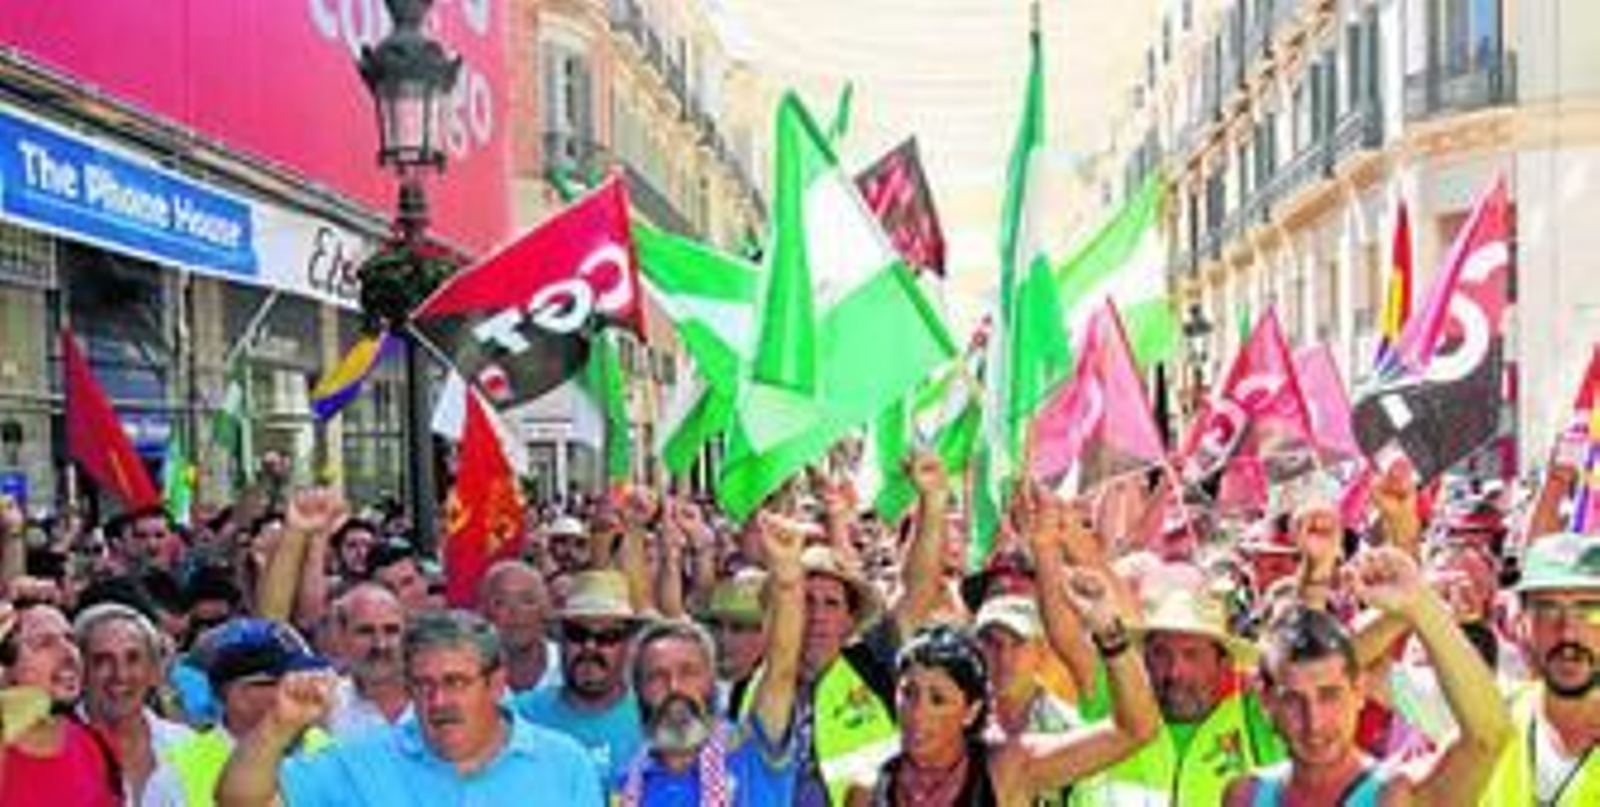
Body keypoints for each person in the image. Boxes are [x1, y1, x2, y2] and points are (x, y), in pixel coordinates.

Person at [216, 609, 604, 806]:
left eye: (455, 682)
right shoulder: (360, 764)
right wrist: (279, 727)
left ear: (496, 683)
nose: (438, 702)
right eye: (423, 685)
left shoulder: (563, 764)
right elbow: (237, 801)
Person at [850, 564, 1159, 807]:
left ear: (970, 712)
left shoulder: (1006, 770)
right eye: (909, 693)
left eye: (938, 699)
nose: (918, 712)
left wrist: (1108, 630)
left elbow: (1136, 730)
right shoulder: (869, 787)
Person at [1224, 546, 1511, 806]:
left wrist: (1421, 606)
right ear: (1267, 702)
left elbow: (1488, 738)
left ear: (1359, 691)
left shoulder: (1397, 796)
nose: (1315, 721)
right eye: (1293, 700)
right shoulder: (1245, 795)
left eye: (1329, 695)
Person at [617, 510, 806, 805]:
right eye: (657, 676)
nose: (674, 687)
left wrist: (788, 579)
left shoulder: (750, 751)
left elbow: (781, 669)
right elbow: (638, 607)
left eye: (689, 672)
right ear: (637, 691)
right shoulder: (625, 784)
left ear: (712, 681)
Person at [145, 618, 335, 807]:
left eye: (296, 678)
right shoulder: (179, 767)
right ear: (226, 693)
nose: (290, 691)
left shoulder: (327, 750)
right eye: (268, 683)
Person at [1479, 531, 1600, 805]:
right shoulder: (1486, 712)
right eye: (1548, 610)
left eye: (1591, 611)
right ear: (1519, 623)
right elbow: (1365, 673)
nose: (1568, 633)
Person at [516, 568, 646, 780]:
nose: (590, 647)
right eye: (577, 633)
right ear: (560, 638)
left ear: (629, 646)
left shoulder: (651, 722)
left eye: (608, 637)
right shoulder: (520, 717)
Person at [0, 603, 122, 807]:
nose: (69, 653)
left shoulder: (93, 745)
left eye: (70, 639)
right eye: (45, 643)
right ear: (6, 669)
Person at [74, 601, 194, 802]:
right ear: (80, 671)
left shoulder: (187, 745)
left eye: (133, 658)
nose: (120, 675)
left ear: (154, 670)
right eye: (103, 660)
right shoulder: (54, 750)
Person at [325, 583, 409, 740]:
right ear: (341, 637)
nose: (380, 644)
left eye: (391, 630)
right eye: (366, 631)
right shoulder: (327, 707)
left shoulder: (438, 696)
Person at [695, 568, 769, 718]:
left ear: (762, 637)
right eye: (715, 625)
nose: (724, 639)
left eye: (737, 628)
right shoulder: (689, 683)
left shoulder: (769, 692)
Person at [478, 559, 557, 692]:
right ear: (484, 612)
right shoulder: (470, 672)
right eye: (501, 602)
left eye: (527, 601)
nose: (515, 612)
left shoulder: (569, 665)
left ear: (546, 610)